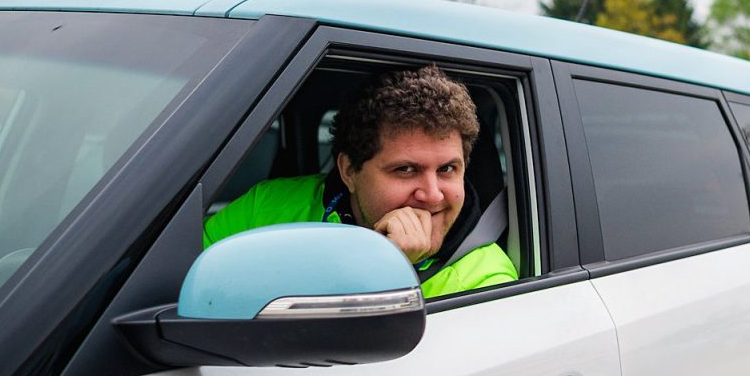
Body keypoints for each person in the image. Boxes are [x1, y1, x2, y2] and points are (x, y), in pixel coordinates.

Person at [204, 65, 517, 296]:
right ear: (349, 171)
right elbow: (184, 284)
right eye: (405, 170)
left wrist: (392, 269)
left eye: (447, 169)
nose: (433, 195)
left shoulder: (486, 280)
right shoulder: (265, 208)